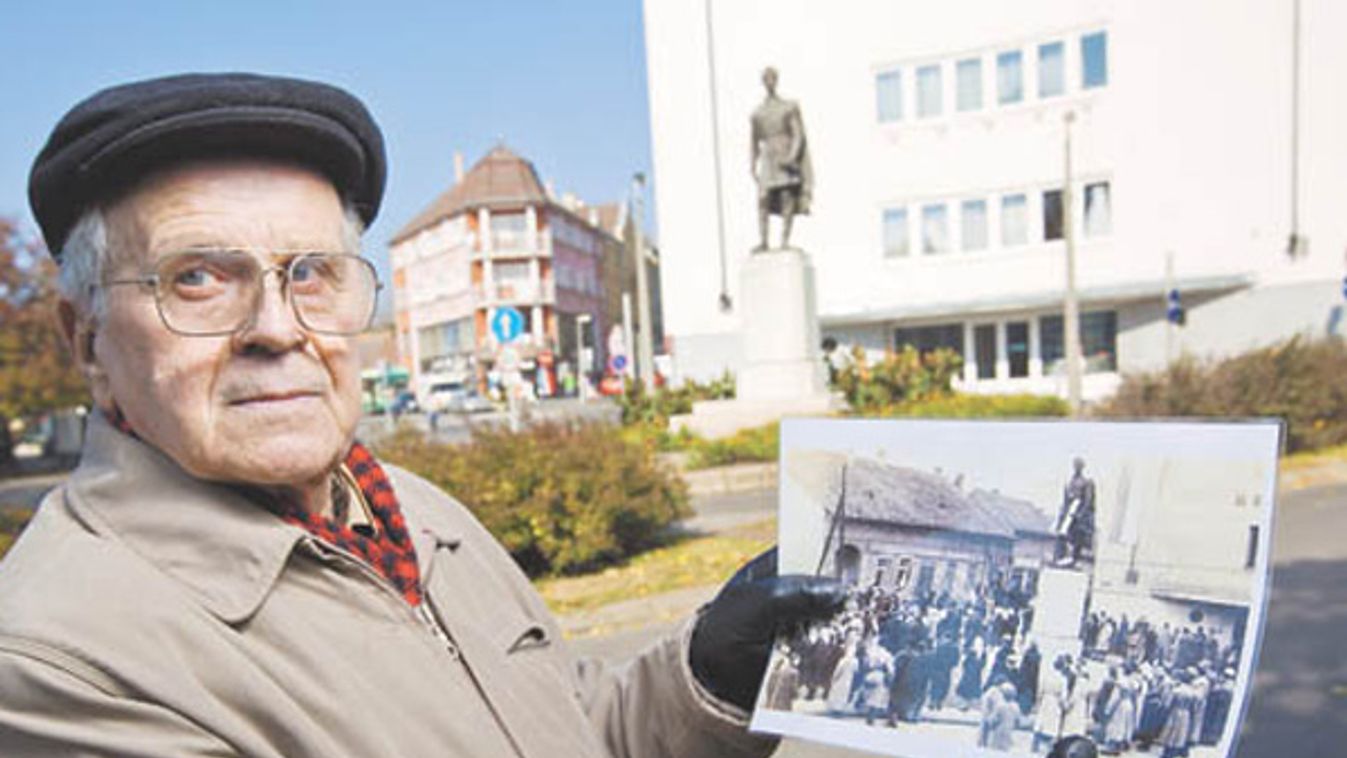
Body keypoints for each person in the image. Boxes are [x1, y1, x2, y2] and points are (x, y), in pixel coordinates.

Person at [0, 73, 846, 757]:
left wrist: (712, 676)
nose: (276, 327)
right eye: (198, 279)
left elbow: (572, 729)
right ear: (86, 340)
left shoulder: (414, 508)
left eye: (312, 274)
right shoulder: (54, 663)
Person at [749, 66, 812, 251]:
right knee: (763, 199)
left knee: (787, 197)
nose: (769, 82)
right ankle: (764, 241)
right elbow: (753, 141)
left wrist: (792, 156)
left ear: (776, 80)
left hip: (784, 153)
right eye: (766, 78)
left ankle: (784, 240)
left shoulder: (788, 107)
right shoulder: (757, 113)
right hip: (768, 158)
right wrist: (752, 163)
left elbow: (798, 134)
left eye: (772, 78)